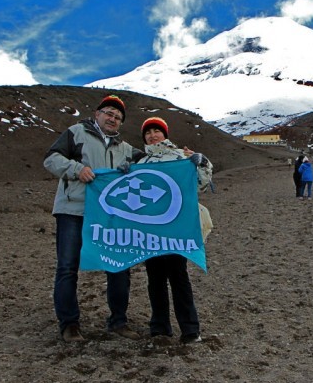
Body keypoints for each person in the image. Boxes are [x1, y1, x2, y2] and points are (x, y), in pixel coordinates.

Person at [44, 95, 144, 342]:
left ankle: (118, 321)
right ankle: (69, 324)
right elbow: (51, 159)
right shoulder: (76, 133)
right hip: (74, 210)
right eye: (109, 113)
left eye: (118, 117)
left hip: (109, 215)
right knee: (67, 267)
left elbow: (153, 163)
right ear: (97, 114)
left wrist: (184, 158)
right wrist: (77, 170)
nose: (113, 119)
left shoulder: (125, 149)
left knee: (119, 265)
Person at [138, 116, 213, 344]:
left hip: (177, 228)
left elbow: (201, 183)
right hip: (151, 230)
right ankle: (160, 328)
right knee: (155, 279)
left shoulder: (181, 157)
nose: (152, 135)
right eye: (148, 132)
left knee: (179, 277)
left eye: (156, 131)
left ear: (165, 134)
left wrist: (202, 162)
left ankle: (190, 330)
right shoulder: (142, 163)